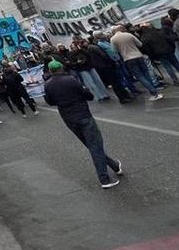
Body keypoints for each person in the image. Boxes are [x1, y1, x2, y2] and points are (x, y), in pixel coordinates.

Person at [42, 60, 124, 189]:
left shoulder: (48, 85)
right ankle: (104, 179)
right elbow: (89, 96)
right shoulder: (71, 79)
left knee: (92, 146)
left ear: (50, 71)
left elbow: (50, 102)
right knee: (95, 146)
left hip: (68, 118)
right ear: (61, 68)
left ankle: (114, 165)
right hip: (83, 114)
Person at [111, 25, 164, 100]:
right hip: (138, 56)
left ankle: (153, 92)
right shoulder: (128, 35)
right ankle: (154, 91)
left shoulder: (113, 39)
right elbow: (140, 44)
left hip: (128, 59)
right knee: (146, 73)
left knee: (140, 76)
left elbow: (114, 51)